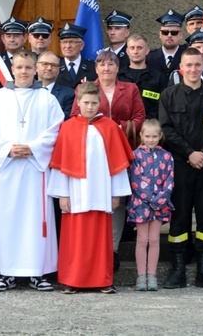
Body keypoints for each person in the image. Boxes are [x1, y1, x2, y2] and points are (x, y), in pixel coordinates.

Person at [0, 49, 63, 291]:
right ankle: (6, 272)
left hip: (35, 170)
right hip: (6, 170)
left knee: (36, 222)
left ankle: (38, 272)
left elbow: (56, 130)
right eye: (19, 67)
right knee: (6, 221)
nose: (24, 71)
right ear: (12, 69)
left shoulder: (47, 99)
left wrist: (33, 148)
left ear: (35, 69)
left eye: (28, 67)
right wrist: (6, 149)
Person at [48, 81, 133, 294]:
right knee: (74, 240)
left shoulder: (111, 127)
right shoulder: (67, 128)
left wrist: (116, 194)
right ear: (78, 102)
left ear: (100, 103)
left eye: (94, 103)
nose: (90, 107)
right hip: (75, 192)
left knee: (100, 240)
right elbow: (60, 163)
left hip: (102, 192)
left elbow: (118, 164)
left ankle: (102, 280)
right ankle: (72, 280)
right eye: (86, 102)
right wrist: (62, 194)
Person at [70, 50, 145, 269]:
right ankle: (90, 248)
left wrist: (116, 129)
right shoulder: (84, 89)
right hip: (90, 154)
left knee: (116, 201)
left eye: (111, 64)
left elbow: (140, 117)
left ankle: (112, 249)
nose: (106, 68)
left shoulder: (130, 89)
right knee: (91, 200)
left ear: (117, 67)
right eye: (102, 64)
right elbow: (76, 116)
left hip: (121, 150)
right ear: (96, 68)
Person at [159, 47, 203, 290]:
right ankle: (177, 270)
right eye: (188, 65)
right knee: (180, 218)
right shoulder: (168, 95)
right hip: (180, 165)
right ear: (181, 68)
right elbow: (166, 130)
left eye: (197, 65)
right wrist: (190, 153)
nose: (193, 69)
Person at [126, 119, 174, 292]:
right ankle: (141, 276)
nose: (151, 139)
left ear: (160, 136)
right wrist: (149, 199)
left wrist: (160, 199)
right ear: (141, 135)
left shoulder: (167, 156)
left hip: (160, 205)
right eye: (147, 136)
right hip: (140, 204)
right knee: (142, 239)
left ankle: (152, 275)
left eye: (155, 136)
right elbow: (135, 180)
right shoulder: (135, 155)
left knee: (154, 239)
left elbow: (169, 180)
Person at [118, 34, 167, 120]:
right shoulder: (119, 76)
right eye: (132, 48)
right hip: (123, 125)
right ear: (127, 51)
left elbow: (162, 103)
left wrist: (146, 120)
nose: (135, 51)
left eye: (139, 48)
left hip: (150, 127)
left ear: (147, 50)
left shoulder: (158, 77)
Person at [0, 17, 27, 90]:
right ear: (3, 39)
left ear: (24, 38)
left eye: (16, 36)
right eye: (8, 36)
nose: (12, 40)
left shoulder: (35, 60)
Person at [56, 23, 97, 89]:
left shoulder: (93, 68)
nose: (68, 46)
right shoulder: (55, 66)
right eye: (64, 42)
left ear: (81, 46)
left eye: (72, 42)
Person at [146, 9, 186, 77]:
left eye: (174, 33)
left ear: (180, 35)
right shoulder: (149, 57)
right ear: (160, 34)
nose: (169, 36)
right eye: (165, 32)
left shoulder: (187, 57)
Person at [37, 51, 75, 120]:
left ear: (58, 70)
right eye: (44, 64)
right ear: (36, 67)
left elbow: (65, 119)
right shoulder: (27, 91)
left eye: (54, 65)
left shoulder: (69, 94)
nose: (49, 68)